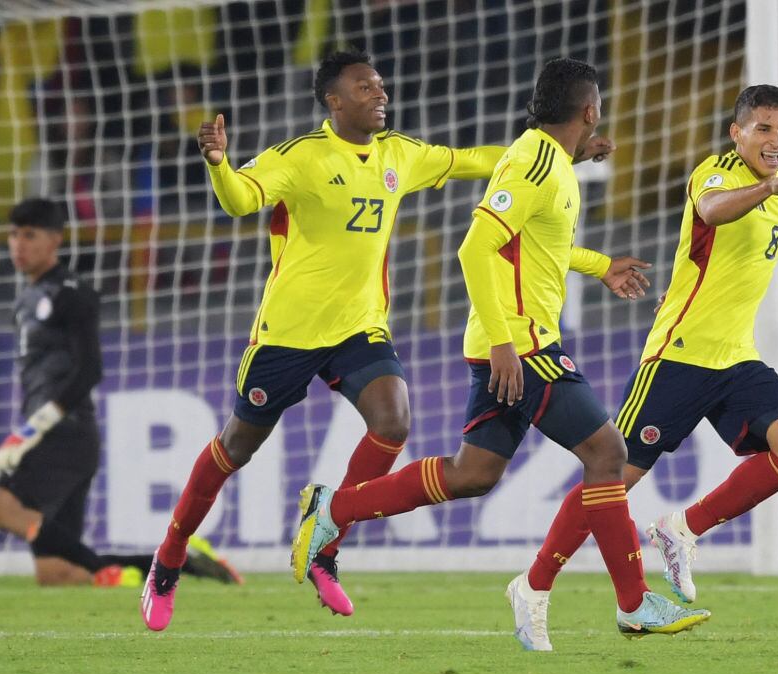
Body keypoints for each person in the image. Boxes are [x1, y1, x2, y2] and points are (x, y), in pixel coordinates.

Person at [139, 47, 604, 631]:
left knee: (393, 420)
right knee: (237, 446)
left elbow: (477, 160)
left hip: (360, 327)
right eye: (365, 88)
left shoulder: (399, 154)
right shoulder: (300, 157)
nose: (379, 94)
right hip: (289, 332)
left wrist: (565, 153)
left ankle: (326, 545)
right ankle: (170, 556)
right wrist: (217, 163)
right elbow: (239, 200)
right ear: (333, 101)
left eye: (380, 86)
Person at [291, 58, 712, 651]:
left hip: (515, 341)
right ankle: (634, 602)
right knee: (608, 451)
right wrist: (504, 342)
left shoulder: (551, 162)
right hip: (522, 343)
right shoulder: (536, 163)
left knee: (473, 474)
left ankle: (336, 507)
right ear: (589, 112)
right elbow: (474, 249)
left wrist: (600, 267)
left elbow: (541, 246)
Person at [510, 84, 778, 642]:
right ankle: (532, 586)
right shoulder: (718, 173)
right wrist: (773, 181)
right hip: (678, 359)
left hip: (736, 359)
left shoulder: (775, 195)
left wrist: (773, 188)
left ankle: (682, 529)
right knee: (610, 480)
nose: (776, 141)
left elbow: (709, 264)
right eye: (764, 129)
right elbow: (710, 212)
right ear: (737, 132)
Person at [0, 198, 239, 588]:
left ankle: (110, 572)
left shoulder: (73, 293)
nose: (18, 244)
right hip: (54, 436)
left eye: (29, 235)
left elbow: (89, 370)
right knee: (59, 574)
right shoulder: (23, 302)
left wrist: (33, 429)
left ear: (55, 240)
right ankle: (183, 562)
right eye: (13, 235)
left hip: (63, 434)